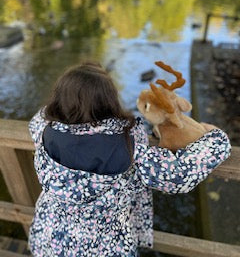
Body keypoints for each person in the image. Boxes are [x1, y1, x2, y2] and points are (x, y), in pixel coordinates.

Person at [28, 62, 231, 257]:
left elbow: (39, 116)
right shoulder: (129, 148)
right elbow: (178, 175)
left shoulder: (44, 130)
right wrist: (216, 138)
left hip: (52, 237)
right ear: (109, 102)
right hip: (105, 248)